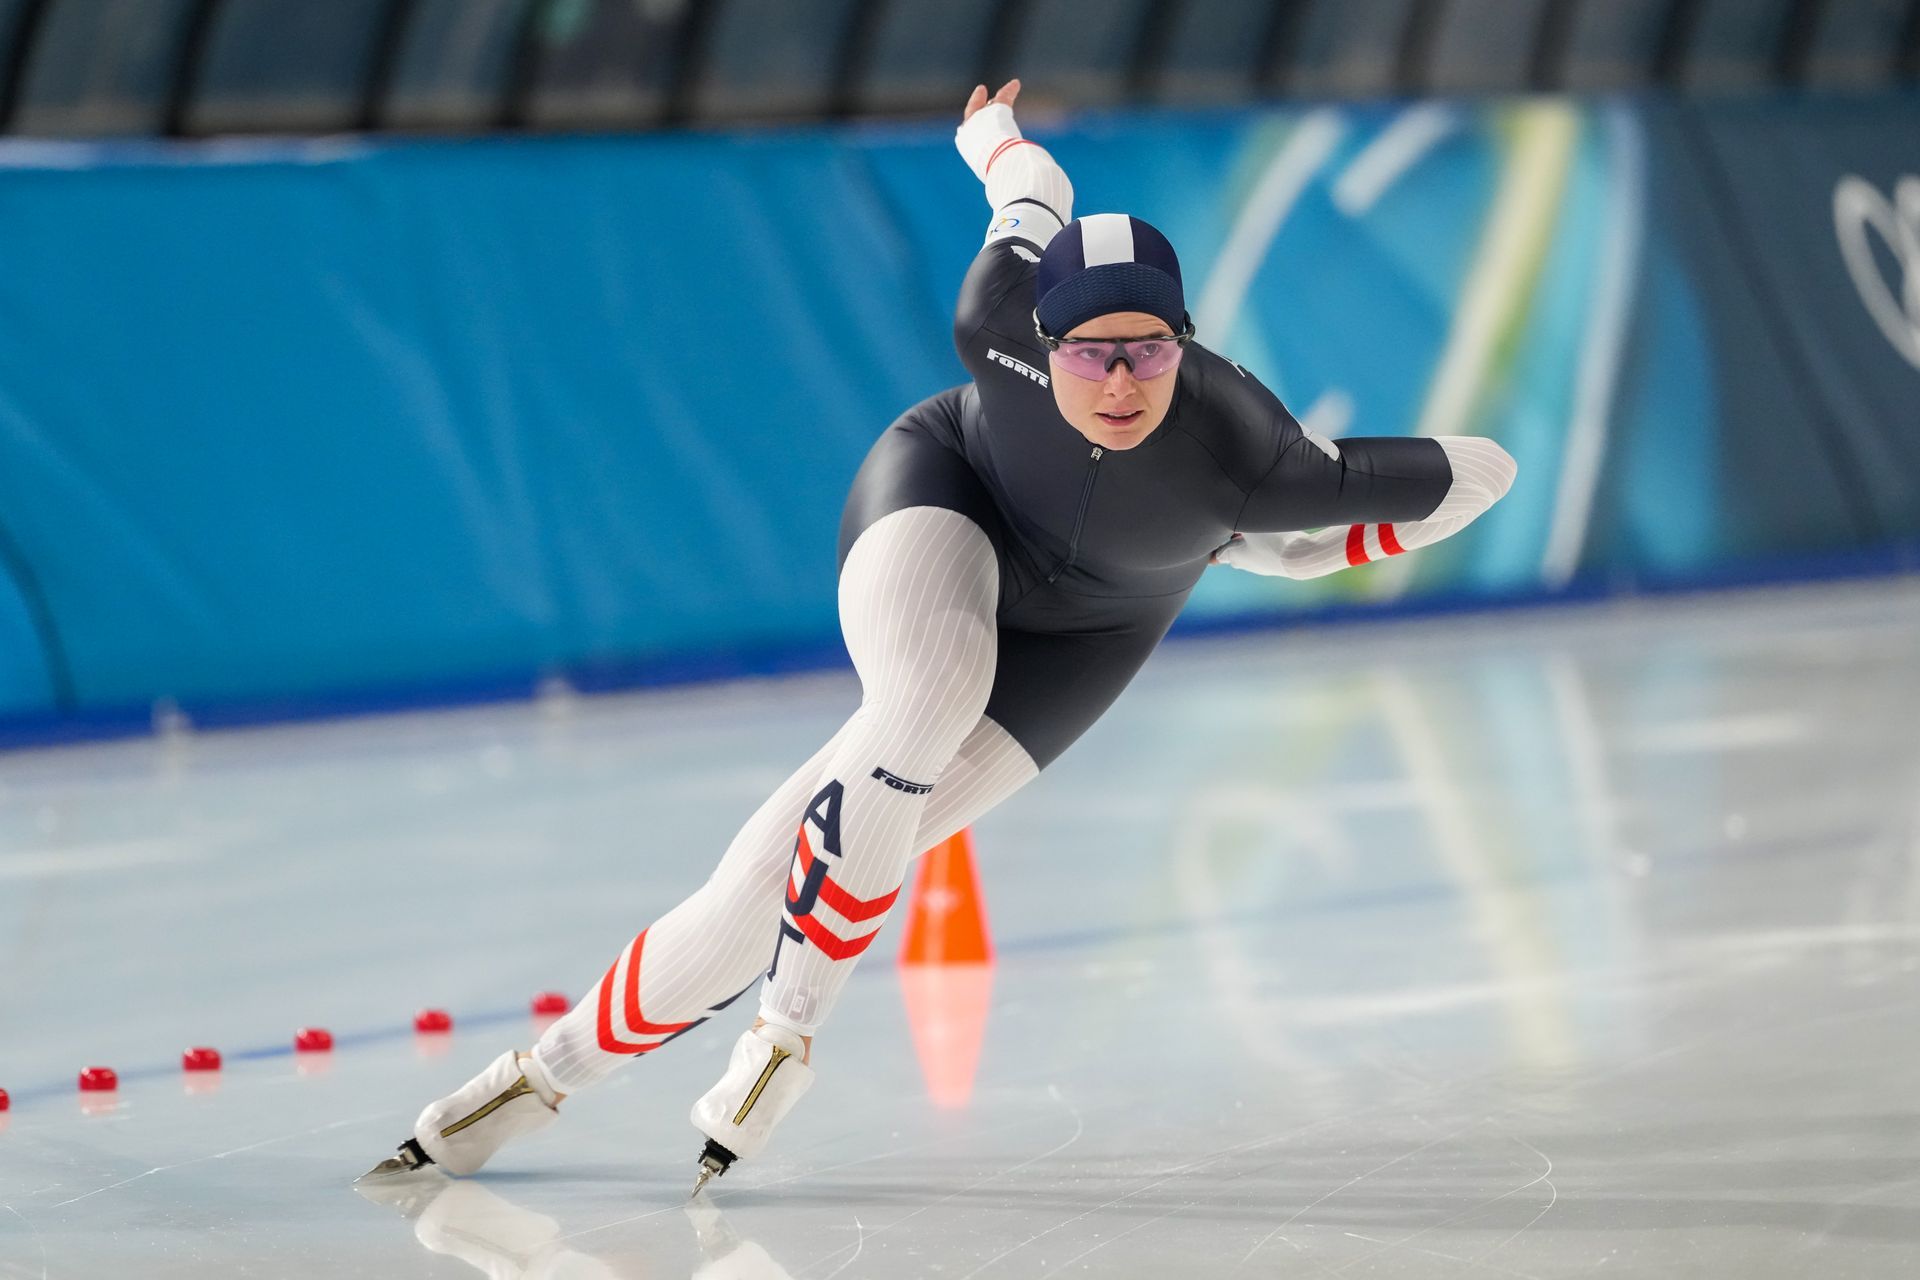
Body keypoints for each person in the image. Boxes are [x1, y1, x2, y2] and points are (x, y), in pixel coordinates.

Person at [361, 80, 1515, 1193]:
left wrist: (1306, 548)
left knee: (759, 887)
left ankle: (532, 1080)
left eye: (1151, 350)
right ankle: (783, 1039)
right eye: (1088, 351)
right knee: (929, 692)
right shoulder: (990, 318)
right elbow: (1030, 193)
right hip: (949, 498)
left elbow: (1485, 472)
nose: (1119, 381)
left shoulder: (1258, 453)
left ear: (1187, 341)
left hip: (1095, 631)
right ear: (1039, 340)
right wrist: (992, 128)